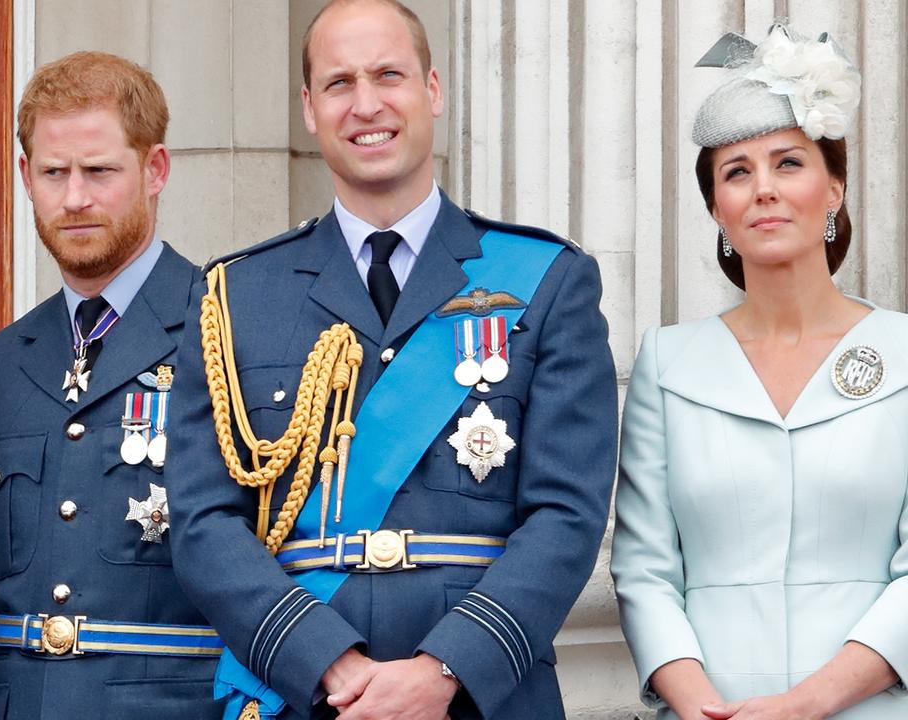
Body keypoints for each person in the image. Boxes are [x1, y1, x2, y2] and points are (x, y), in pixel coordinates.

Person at [164, 1, 618, 718]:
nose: (366, 103)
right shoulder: (234, 296)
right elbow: (201, 522)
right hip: (307, 695)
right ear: (310, 109)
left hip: (481, 696)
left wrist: (443, 671)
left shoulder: (547, 279)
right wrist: (327, 665)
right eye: (339, 83)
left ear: (432, 90)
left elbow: (567, 514)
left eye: (389, 75)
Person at [612, 24, 906, 720]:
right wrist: (705, 708)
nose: (764, 189)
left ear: (834, 190)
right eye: (737, 172)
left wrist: (805, 704)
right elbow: (645, 568)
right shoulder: (668, 364)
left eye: (789, 164)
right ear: (718, 210)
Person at [0, 52, 222, 720]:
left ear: (154, 169)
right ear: (25, 176)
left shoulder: (226, 331)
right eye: (53, 172)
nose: (74, 197)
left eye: (99, 171)